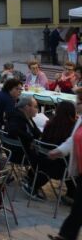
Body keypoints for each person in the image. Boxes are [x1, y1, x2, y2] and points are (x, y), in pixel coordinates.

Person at [47, 88, 82, 240]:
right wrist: (59, 151)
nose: (77, 106)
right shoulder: (81, 119)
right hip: (81, 171)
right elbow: (73, 140)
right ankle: (66, 236)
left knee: (79, 208)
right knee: (78, 208)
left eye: (79, 103)